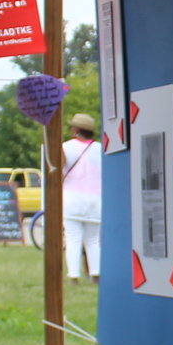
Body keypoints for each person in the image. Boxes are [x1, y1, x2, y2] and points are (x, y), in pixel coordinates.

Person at [61, 110, 103, 281]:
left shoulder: (66, 147)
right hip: (96, 200)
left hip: (72, 199)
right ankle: (95, 274)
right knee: (93, 239)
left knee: (73, 239)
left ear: (75, 130)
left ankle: (74, 275)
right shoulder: (100, 149)